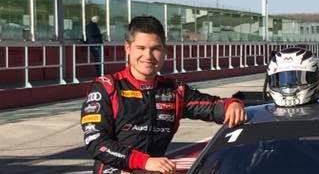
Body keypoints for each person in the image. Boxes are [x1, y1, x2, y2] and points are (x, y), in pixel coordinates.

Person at [80, 16, 245, 174]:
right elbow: (95, 141)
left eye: (155, 49)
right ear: (128, 48)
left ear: (165, 51)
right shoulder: (107, 87)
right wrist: (143, 162)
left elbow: (213, 107)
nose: (148, 56)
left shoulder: (175, 91)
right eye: (141, 48)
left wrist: (232, 104)